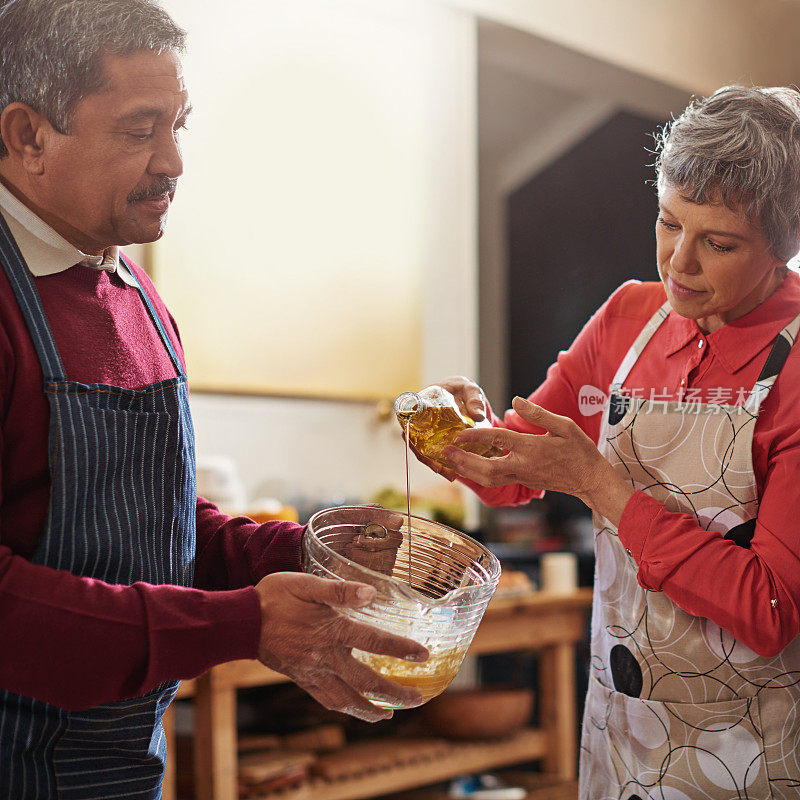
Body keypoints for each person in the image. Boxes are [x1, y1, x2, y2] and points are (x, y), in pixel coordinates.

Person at [0, 1, 427, 797]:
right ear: (27, 136)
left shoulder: (137, 299)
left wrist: (304, 553)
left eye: (179, 125)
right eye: (139, 129)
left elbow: (158, 524)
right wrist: (243, 624)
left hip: (121, 765)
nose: (173, 162)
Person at [411, 86, 800, 799]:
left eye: (718, 243)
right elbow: (512, 477)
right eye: (667, 222)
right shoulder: (628, 317)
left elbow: (769, 609)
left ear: (785, 246)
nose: (679, 263)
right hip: (618, 732)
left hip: (750, 751)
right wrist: (458, 434)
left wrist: (599, 486)